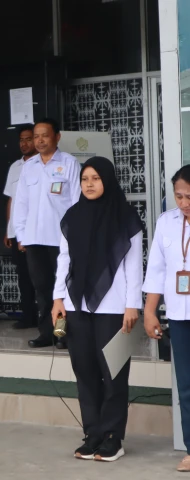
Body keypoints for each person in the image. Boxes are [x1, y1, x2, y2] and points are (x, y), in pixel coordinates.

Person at [51, 157, 143, 462]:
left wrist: (132, 305)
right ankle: (92, 434)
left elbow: (134, 266)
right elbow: (64, 260)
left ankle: (113, 437)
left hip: (115, 308)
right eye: (84, 179)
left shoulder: (126, 217)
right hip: (76, 305)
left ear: (108, 180)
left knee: (113, 373)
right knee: (85, 371)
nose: (89, 184)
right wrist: (58, 299)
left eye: (96, 178)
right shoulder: (72, 216)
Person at [13, 118, 81, 349]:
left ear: (57, 137)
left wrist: (74, 235)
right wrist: (21, 235)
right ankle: (46, 333)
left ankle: (62, 334)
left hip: (61, 239)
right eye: (36, 136)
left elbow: (76, 202)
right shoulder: (29, 167)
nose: (40, 140)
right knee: (42, 289)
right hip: (34, 239)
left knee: (61, 289)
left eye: (45, 135)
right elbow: (21, 203)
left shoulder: (69, 163)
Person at [143, 165, 190, 472]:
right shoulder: (166, 222)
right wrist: (150, 311)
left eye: (189, 197)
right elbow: (157, 271)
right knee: (186, 385)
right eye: (179, 196)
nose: (184, 203)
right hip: (180, 316)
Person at [3, 124, 39, 330]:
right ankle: (28, 316)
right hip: (17, 231)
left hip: (36, 230)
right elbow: (11, 200)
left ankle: (50, 319)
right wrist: (8, 229)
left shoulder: (42, 164)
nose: (24, 144)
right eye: (21, 140)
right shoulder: (15, 167)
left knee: (42, 276)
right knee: (23, 276)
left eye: (28, 139)